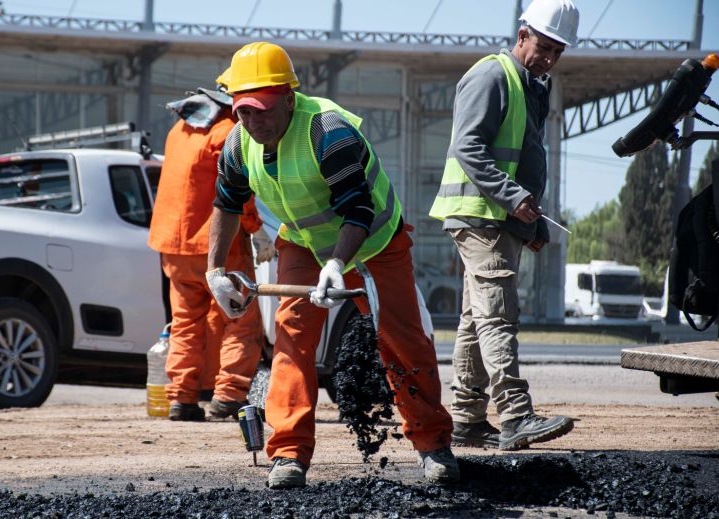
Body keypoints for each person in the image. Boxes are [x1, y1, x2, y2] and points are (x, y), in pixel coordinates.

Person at [206, 41, 458, 489]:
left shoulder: (328, 132)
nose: (252, 121)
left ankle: (433, 444)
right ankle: (288, 454)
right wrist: (214, 271)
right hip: (303, 243)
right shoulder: (237, 142)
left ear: (289, 98)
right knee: (292, 338)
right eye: (242, 111)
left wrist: (338, 263)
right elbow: (226, 204)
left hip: (375, 241)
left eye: (261, 110)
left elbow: (358, 209)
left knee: (402, 339)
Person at [429, 0, 580, 451]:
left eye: (558, 52)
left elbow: (525, 156)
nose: (549, 58)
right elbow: (469, 148)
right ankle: (515, 415)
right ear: (522, 35)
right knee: (498, 313)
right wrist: (516, 200)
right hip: (481, 216)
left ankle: (468, 419)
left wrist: (532, 223)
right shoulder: (491, 76)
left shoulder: (532, 85)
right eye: (544, 47)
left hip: (501, 218)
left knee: (477, 320)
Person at [148, 72, 276, 422]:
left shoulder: (179, 131)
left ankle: (181, 400)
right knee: (241, 320)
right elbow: (236, 193)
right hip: (216, 248)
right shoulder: (227, 134)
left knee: (185, 322)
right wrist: (258, 231)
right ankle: (229, 397)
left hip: (173, 246)